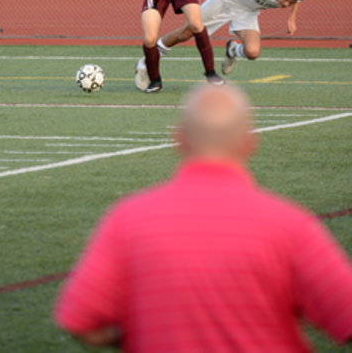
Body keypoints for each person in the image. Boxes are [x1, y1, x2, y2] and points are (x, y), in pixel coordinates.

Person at [53, 84, 352, 352]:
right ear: (250, 143)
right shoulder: (290, 226)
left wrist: (144, 336)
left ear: (179, 140)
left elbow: (80, 320)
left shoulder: (128, 220)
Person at [135, 0, 310, 90]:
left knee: (252, 52)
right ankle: (146, 60)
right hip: (226, 0)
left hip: (247, 11)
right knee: (187, 32)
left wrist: (291, 18)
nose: (286, 4)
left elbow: (297, 1)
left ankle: (232, 50)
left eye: (291, 2)